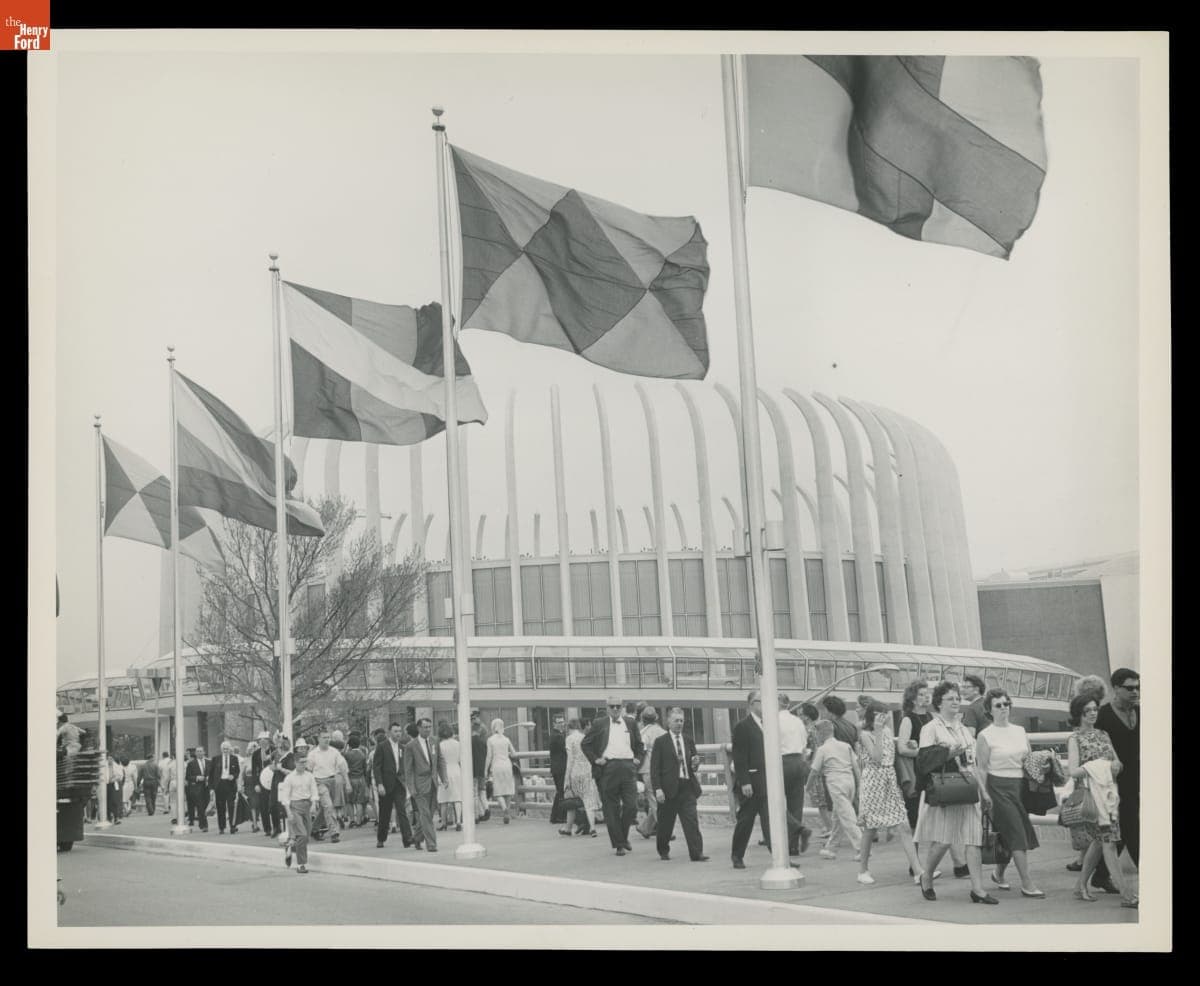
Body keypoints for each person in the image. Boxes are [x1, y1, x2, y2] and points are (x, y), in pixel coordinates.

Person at [915, 682, 996, 904]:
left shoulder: (963, 729)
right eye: (950, 698)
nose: (956, 702)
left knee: (973, 840)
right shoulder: (931, 728)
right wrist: (949, 753)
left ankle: (978, 889)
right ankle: (927, 875)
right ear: (939, 702)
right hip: (947, 790)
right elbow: (923, 761)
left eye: (957, 698)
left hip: (968, 789)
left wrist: (984, 792)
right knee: (943, 841)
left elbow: (972, 763)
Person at [1066, 693, 1136, 907]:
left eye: (1095, 709)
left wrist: (1115, 766)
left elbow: (1117, 762)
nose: (1093, 714)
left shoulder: (1103, 734)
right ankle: (1127, 894)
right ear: (1079, 714)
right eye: (1087, 711)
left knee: (1099, 843)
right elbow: (1074, 771)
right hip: (1091, 797)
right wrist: (1099, 766)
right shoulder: (1075, 738)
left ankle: (1080, 886)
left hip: (1108, 795)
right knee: (1109, 844)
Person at [975, 688, 1044, 897]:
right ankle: (1027, 883)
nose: (1004, 708)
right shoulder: (985, 735)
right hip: (997, 786)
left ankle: (998, 873)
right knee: (1017, 833)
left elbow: (1029, 759)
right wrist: (984, 795)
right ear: (989, 709)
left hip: (1020, 785)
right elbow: (982, 768)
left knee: (1008, 835)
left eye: (1006, 704)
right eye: (998, 705)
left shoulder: (1020, 730)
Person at [729, 689, 802, 869]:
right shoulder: (742, 727)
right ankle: (737, 855)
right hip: (751, 783)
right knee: (745, 821)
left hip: (767, 782)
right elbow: (739, 757)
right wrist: (744, 781)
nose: (764, 705)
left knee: (772, 823)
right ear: (751, 704)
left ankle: (780, 858)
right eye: (760, 701)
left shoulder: (769, 725)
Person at [854, 702, 923, 885]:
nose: (882, 718)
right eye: (878, 714)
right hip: (873, 780)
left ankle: (918, 871)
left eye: (885, 715)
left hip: (889, 779)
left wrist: (909, 744)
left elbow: (893, 752)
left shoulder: (885, 731)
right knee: (870, 827)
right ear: (871, 715)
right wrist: (877, 731)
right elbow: (876, 758)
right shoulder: (866, 734)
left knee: (904, 824)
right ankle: (863, 870)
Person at [581, 698, 646, 856]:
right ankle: (619, 845)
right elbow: (585, 744)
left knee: (631, 806)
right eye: (612, 706)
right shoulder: (599, 723)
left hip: (628, 767)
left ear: (622, 708)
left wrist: (637, 759)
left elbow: (639, 745)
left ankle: (622, 838)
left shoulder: (630, 723)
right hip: (608, 768)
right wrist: (596, 759)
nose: (616, 709)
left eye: (618, 706)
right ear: (608, 708)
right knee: (611, 809)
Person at [1095, 668, 1139, 876]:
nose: (1135, 692)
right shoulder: (1103, 715)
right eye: (1130, 688)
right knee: (1132, 826)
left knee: (1123, 828)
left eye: (1138, 687)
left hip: (1139, 778)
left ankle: (1101, 876)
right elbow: (1094, 748)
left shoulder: (1141, 712)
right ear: (1116, 688)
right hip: (1114, 780)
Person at [650, 707, 709, 862]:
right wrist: (658, 789)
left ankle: (697, 853)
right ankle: (663, 849)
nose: (679, 724)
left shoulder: (689, 740)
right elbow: (654, 769)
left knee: (691, 821)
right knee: (666, 824)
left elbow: (693, 764)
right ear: (668, 722)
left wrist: (696, 764)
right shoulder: (660, 742)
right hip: (668, 789)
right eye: (676, 720)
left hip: (687, 786)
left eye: (681, 720)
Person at [811, 720, 861, 861]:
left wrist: (808, 786)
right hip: (849, 781)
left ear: (821, 734)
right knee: (838, 816)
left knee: (847, 816)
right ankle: (831, 848)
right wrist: (860, 784)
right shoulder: (845, 746)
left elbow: (814, 771)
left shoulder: (822, 749)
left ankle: (861, 847)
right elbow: (856, 766)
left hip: (836, 783)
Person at [404, 717, 447, 852]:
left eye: (429, 726)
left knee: (428, 813)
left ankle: (416, 837)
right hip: (419, 786)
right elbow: (408, 769)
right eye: (425, 727)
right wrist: (411, 788)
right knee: (426, 815)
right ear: (419, 728)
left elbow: (440, 761)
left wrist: (444, 778)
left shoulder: (435, 741)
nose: (428, 729)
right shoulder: (411, 746)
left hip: (433, 783)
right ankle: (431, 844)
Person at [778, 693, 813, 856]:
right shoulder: (797, 721)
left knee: (773, 803)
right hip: (799, 761)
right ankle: (793, 846)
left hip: (781, 762)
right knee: (796, 804)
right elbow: (804, 743)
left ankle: (798, 829)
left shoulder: (772, 720)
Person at [279, 742, 320, 874]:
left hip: (306, 806)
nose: (304, 765)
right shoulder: (289, 778)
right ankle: (301, 864)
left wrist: (313, 804)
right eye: (301, 762)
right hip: (294, 806)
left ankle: (290, 846)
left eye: (305, 762)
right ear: (296, 763)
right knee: (301, 835)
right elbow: (285, 798)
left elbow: (314, 791)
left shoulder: (310, 776)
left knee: (306, 836)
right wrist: (288, 812)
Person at [372, 722, 414, 849]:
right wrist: (379, 784)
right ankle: (381, 838)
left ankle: (407, 838)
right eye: (395, 731)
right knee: (385, 813)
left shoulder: (403, 747)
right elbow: (376, 767)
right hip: (386, 784)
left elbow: (405, 765)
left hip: (399, 783)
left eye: (399, 731)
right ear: (390, 732)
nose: (398, 734)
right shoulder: (382, 746)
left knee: (402, 810)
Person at [562, 718, 601, 838]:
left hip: (575, 772)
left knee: (572, 800)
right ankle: (593, 828)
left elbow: (570, 760)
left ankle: (568, 828)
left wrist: (566, 779)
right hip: (588, 771)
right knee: (588, 799)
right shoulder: (585, 737)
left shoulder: (569, 739)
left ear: (569, 728)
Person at [800, 703, 833, 839]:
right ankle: (829, 826)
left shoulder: (808, 731)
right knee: (824, 799)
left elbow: (807, 750)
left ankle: (829, 827)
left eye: (801, 714)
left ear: (806, 717)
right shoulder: (817, 729)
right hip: (824, 766)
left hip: (814, 767)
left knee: (820, 801)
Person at [306, 732, 344, 844]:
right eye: (324, 737)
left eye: (328, 737)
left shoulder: (334, 752)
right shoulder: (313, 754)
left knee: (325, 809)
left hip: (332, 780)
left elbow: (342, 766)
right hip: (319, 781)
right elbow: (308, 771)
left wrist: (347, 782)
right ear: (318, 739)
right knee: (329, 806)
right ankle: (334, 832)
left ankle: (314, 829)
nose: (326, 740)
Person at [635, 706, 667, 840]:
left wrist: (635, 769)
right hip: (663, 769)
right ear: (657, 718)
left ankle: (666, 830)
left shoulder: (643, 733)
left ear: (642, 719)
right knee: (660, 800)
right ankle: (645, 828)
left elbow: (641, 752)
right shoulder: (664, 732)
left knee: (653, 800)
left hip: (648, 769)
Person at [484, 718, 518, 824]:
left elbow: (489, 756)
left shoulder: (490, 740)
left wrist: (486, 769)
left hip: (496, 765)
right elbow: (514, 754)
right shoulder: (506, 739)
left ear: (493, 727)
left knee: (498, 791)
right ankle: (507, 810)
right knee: (507, 790)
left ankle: (504, 809)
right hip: (507, 765)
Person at [208, 741, 240, 834]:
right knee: (220, 807)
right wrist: (211, 788)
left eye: (227, 749)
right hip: (219, 785)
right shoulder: (215, 759)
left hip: (230, 785)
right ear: (221, 749)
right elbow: (211, 775)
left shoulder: (234, 758)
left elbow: (237, 771)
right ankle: (221, 827)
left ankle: (232, 826)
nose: (225, 750)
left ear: (230, 749)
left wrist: (233, 776)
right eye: (224, 749)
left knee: (231, 806)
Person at [436, 722, 463, 832]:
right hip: (456, 769)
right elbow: (461, 759)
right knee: (457, 797)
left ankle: (444, 822)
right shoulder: (458, 744)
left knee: (443, 799)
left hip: (444, 771)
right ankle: (458, 821)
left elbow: (438, 761)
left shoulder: (440, 745)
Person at [343, 733, 370, 829]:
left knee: (350, 801)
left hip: (350, 779)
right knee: (359, 802)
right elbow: (365, 768)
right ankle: (359, 821)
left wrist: (346, 745)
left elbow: (344, 767)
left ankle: (352, 820)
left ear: (349, 745)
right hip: (361, 779)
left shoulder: (347, 755)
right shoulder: (362, 755)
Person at [469, 709, 490, 823]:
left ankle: (476, 815)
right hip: (482, 765)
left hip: (473, 766)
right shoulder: (484, 731)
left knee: (475, 792)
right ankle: (485, 809)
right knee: (482, 789)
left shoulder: (471, 734)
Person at [548, 714, 568, 826]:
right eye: (559, 722)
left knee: (560, 792)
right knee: (561, 792)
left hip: (557, 768)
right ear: (554, 724)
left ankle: (555, 816)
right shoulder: (558, 736)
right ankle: (558, 817)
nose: (562, 724)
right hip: (560, 768)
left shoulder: (557, 735)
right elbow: (566, 750)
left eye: (562, 722)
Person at [185, 746, 210, 831]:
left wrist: (209, 778)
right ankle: (204, 825)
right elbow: (188, 777)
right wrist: (196, 778)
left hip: (207, 787)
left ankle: (202, 821)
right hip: (197, 787)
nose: (199, 753)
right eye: (198, 751)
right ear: (195, 753)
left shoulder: (209, 762)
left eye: (201, 751)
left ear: (204, 752)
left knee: (206, 805)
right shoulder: (191, 764)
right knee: (200, 806)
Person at [140, 751, 160, 816]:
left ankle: (150, 810)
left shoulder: (143, 766)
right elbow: (158, 775)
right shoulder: (155, 765)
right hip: (154, 782)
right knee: (153, 796)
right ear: (151, 758)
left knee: (147, 797)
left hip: (146, 782)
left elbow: (140, 775)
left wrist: (138, 783)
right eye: (153, 757)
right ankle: (152, 809)